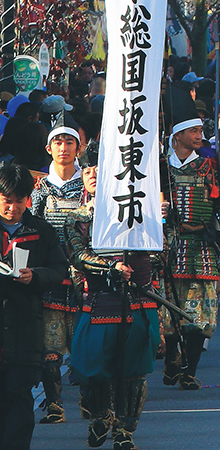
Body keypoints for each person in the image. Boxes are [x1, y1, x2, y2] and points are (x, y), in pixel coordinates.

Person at [67, 165, 158, 450]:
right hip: (98, 301)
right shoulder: (78, 218)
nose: (95, 176)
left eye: (101, 169)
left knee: (133, 370)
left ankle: (124, 429)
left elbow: (162, 251)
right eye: (89, 170)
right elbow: (77, 255)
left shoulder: (143, 212)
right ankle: (99, 416)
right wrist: (111, 267)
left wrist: (149, 248)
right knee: (90, 367)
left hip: (138, 299)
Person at [161, 102, 220, 390]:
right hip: (167, 245)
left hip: (202, 244)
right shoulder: (159, 167)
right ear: (177, 136)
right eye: (193, 130)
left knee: (199, 312)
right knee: (167, 310)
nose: (199, 134)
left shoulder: (210, 166)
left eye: (201, 129)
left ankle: (190, 369)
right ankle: (171, 358)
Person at [0, 163, 66, 450]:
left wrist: (35, 276)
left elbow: (59, 268)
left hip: (24, 326)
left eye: (18, 201)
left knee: (19, 397)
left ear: (28, 199)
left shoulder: (41, 230)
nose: (12, 207)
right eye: (6, 200)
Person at [29, 116, 87, 424]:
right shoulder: (40, 189)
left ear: (79, 147)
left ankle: (93, 400)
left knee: (85, 338)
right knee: (50, 342)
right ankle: (54, 404)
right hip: (51, 272)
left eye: (69, 142)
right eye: (58, 143)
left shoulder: (89, 186)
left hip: (85, 274)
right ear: (48, 148)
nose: (63, 148)